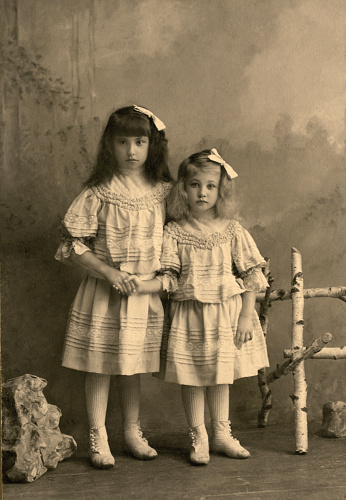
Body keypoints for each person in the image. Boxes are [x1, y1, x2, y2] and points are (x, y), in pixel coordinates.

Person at [55, 105, 172, 469]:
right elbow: (73, 242)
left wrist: (153, 283)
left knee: (131, 365)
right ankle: (98, 436)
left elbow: (174, 241)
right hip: (105, 293)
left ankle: (131, 432)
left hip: (143, 294)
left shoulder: (162, 191)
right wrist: (109, 273)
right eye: (123, 142)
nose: (132, 151)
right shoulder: (100, 191)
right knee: (101, 365)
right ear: (111, 145)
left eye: (140, 142)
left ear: (152, 145)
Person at [155, 148, 269, 465]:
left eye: (210, 186)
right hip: (190, 313)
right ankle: (198, 435)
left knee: (221, 374)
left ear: (220, 191)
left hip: (226, 313)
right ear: (183, 188)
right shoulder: (174, 231)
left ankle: (221, 432)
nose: (202, 193)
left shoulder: (231, 230)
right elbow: (168, 275)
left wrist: (247, 315)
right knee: (192, 375)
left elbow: (251, 275)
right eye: (194, 185)